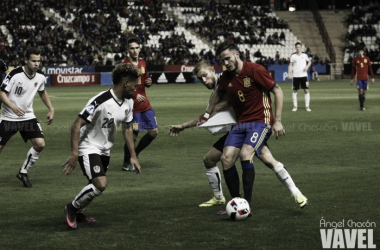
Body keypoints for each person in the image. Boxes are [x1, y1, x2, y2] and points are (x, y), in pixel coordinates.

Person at [170, 59, 308, 210]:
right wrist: (183, 126)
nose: (204, 80)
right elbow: (206, 116)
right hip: (237, 130)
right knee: (209, 160)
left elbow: (231, 101)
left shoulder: (229, 81)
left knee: (266, 159)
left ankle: (295, 193)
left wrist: (217, 108)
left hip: (252, 126)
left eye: (205, 75)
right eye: (200, 78)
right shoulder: (218, 90)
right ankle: (220, 198)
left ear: (212, 70)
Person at [205, 42, 308, 211]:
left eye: (228, 58)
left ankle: (247, 205)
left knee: (246, 154)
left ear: (237, 54)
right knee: (227, 158)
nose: (226, 63)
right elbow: (217, 93)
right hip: (240, 125)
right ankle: (237, 203)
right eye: (223, 61)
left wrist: (278, 120)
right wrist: (207, 113)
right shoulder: (226, 77)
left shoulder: (255, 70)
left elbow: (278, 90)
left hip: (261, 121)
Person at [62, 63, 141, 229]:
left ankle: (78, 211)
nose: (136, 88)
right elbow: (77, 125)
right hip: (88, 147)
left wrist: (133, 156)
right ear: (126, 82)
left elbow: (127, 128)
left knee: (95, 185)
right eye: (135, 84)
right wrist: (75, 154)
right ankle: (71, 208)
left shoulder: (129, 103)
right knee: (101, 184)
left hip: (105, 150)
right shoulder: (100, 101)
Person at [0, 47, 54, 188]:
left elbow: (42, 92)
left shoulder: (41, 76)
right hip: (8, 117)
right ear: (26, 60)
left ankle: (23, 171)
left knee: (40, 144)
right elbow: (2, 93)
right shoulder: (14, 74)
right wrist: (12, 106)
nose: (36, 64)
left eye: (38, 61)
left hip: (27, 117)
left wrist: (51, 108)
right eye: (33, 61)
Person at [122, 37, 158, 172]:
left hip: (145, 104)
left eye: (137, 48)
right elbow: (122, 87)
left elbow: (144, 81)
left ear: (140, 49)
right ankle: (126, 163)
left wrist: (149, 83)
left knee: (154, 132)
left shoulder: (143, 62)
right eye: (132, 48)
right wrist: (134, 94)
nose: (135, 50)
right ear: (128, 50)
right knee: (134, 135)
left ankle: (134, 155)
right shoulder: (125, 66)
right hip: (133, 107)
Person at [288, 42, 312, 112]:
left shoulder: (304, 55)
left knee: (306, 90)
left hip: (304, 75)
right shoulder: (293, 56)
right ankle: (295, 106)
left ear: (301, 47)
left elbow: (309, 62)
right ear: (295, 48)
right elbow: (290, 65)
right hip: (295, 76)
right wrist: (289, 73)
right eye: (297, 47)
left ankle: (307, 106)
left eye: (299, 47)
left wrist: (307, 67)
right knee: (295, 90)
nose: (298, 48)